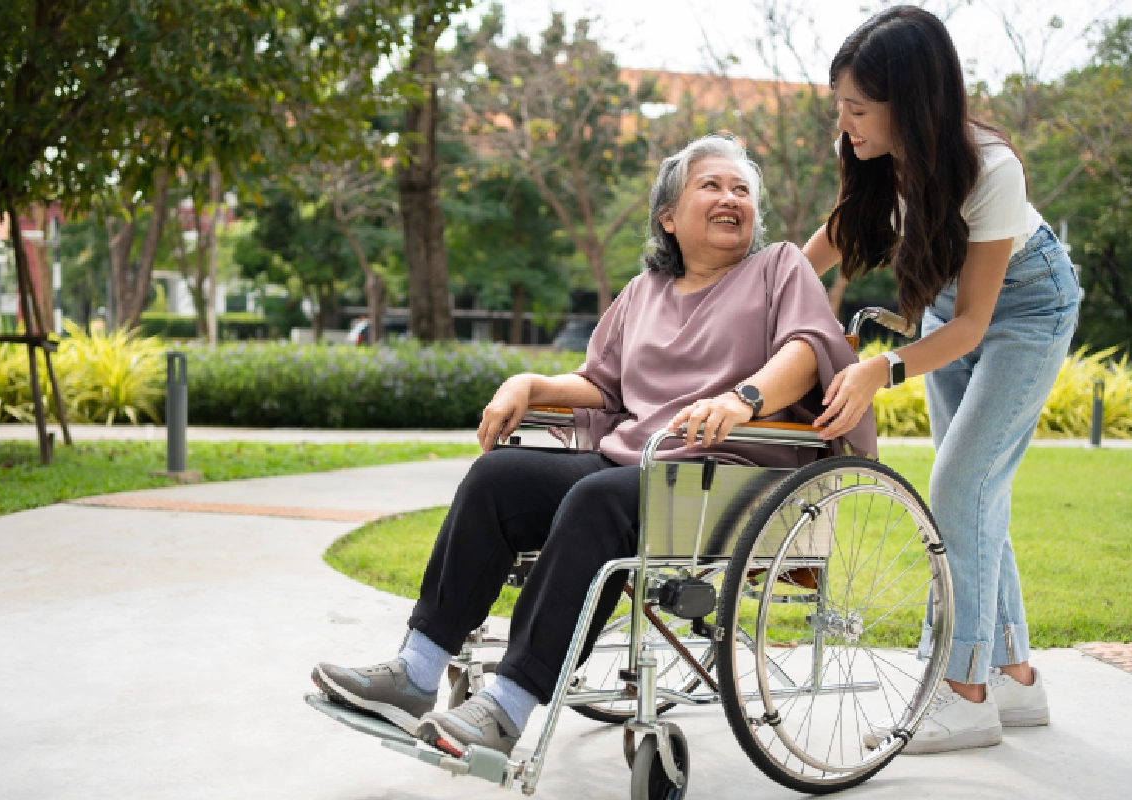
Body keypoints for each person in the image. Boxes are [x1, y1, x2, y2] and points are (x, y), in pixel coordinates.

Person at [312, 134, 875, 758]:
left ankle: (507, 706)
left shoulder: (777, 268)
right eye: (711, 186)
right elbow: (599, 383)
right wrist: (528, 383)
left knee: (596, 498)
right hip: (634, 464)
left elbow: (805, 351)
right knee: (496, 478)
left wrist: (741, 399)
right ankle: (416, 674)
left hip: (730, 472)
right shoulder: (643, 293)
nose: (730, 199)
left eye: (741, 189)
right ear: (668, 216)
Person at [803, 6, 1079, 755]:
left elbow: (975, 325)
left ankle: (961, 692)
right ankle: (1015, 676)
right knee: (977, 491)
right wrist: (768, 286)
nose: (847, 123)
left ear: (912, 102)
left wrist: (878, 369)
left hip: (1024, 309)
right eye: (841, 106)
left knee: (961, 483)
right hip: (948, 303)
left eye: (859, 108)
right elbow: (838, 236)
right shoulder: (870, 152)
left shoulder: (992, 167)